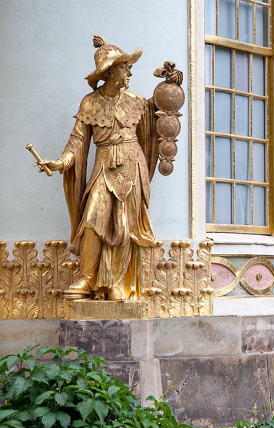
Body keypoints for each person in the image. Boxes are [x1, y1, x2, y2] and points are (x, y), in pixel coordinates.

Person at [38, 35, 165, 301]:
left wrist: (170, 86)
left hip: (132, 165)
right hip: (104, 164)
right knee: (94, 218)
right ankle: (87, 278)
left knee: (126, 224)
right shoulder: (90, 103)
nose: (129, 71)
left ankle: (116, 282)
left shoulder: (136, 101)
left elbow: (158, 122)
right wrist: (60, 163)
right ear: (108, 72)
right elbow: (78, 139)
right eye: (124, 66)